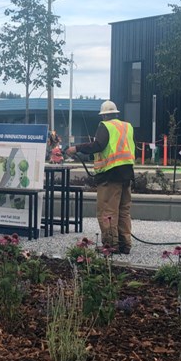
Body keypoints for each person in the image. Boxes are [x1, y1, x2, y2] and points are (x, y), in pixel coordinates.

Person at [66, 100, 135, 254]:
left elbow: (99, 145)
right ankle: (125, 244)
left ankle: (111, 245)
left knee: (107, 211)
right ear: (116, 113)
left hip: (110, 174)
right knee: (123, 210)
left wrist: (76, 148)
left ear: (104, 116)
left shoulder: (106, 126)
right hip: (126, 174)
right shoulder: (127, 126)